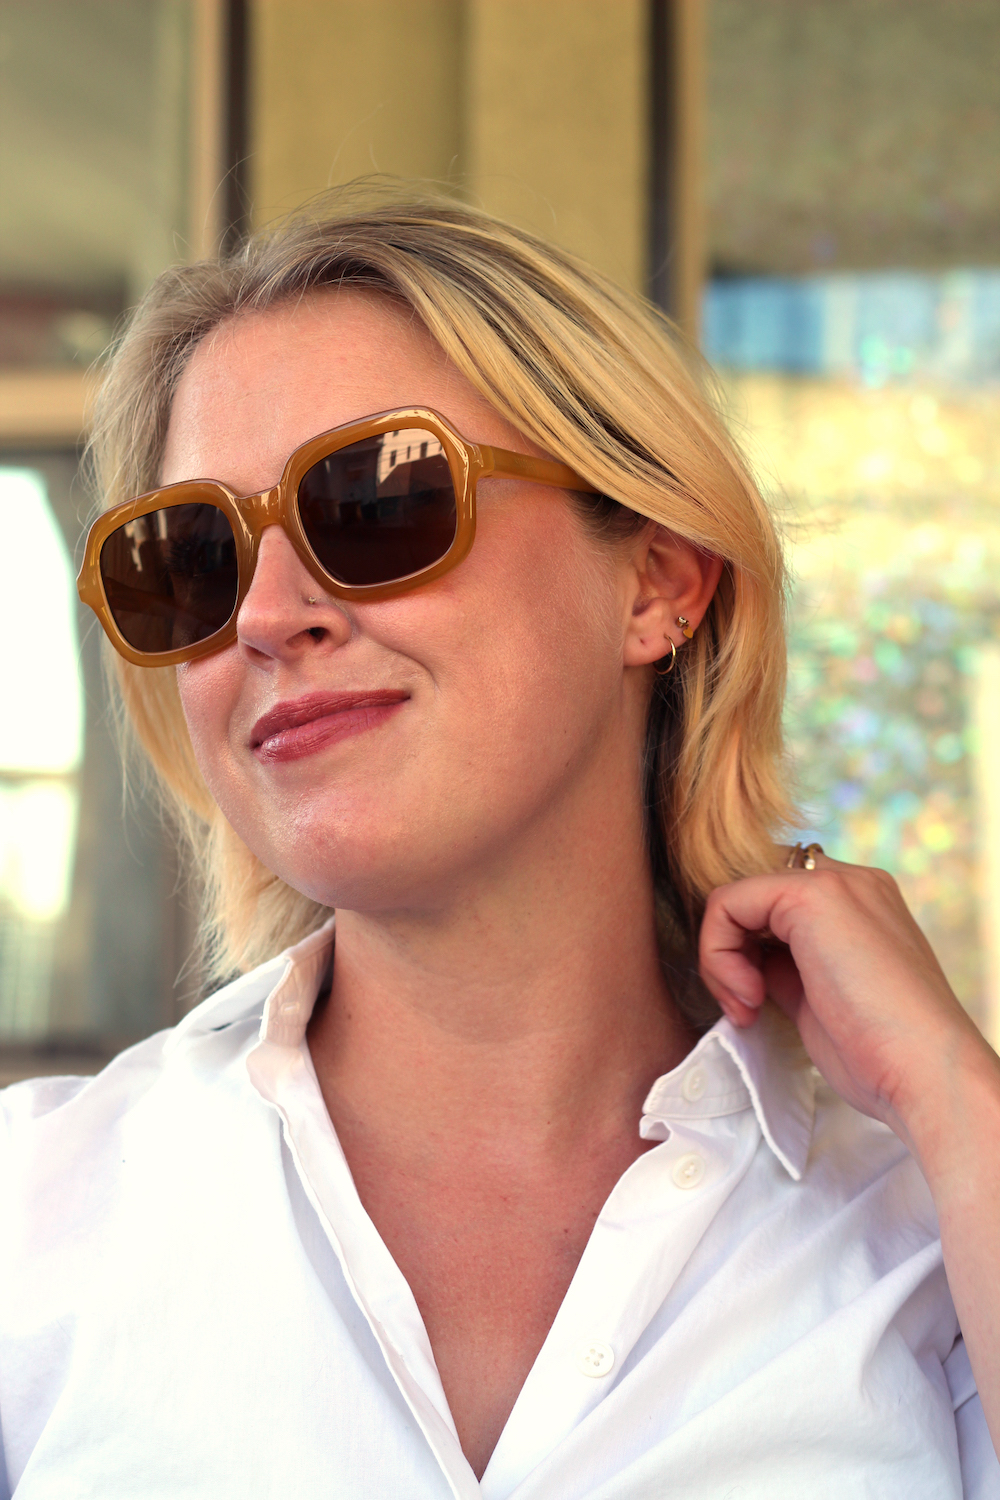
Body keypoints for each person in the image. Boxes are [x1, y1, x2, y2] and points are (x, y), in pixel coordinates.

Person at [2, 190, 998, 1499]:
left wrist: (958, 1101)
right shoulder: (36, 1218)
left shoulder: (936, 1227)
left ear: (655, 581)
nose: (265, 617)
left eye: (374, 502)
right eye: (191, 558)